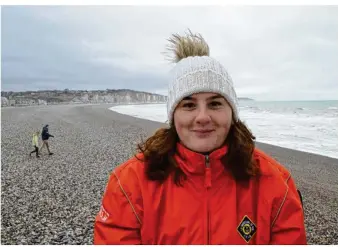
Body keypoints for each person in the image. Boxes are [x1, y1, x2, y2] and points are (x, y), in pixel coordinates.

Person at [93, 30, 307, 244]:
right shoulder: (129, 184)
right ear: (173, 115)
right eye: (189, 105)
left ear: (232, 112)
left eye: (215, 103)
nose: (203, 117)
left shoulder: (276, 183)